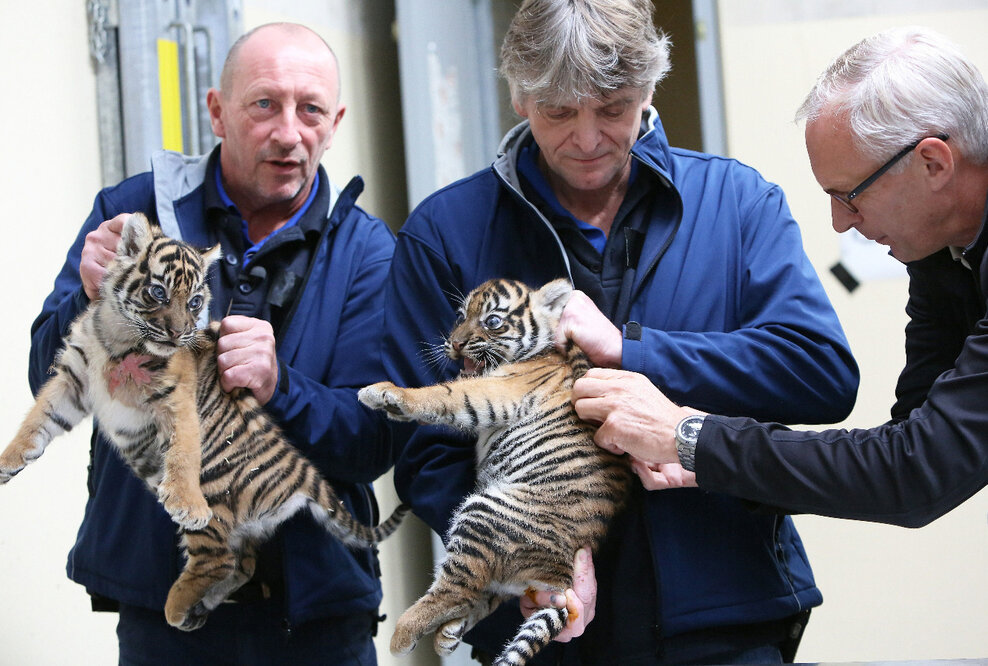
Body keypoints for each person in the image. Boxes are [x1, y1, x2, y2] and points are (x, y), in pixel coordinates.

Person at [381, 0, 860, 663]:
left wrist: (633, 350)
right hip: (547, 629)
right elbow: (427, 450)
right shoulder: (445, 234)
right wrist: (526, 557)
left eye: (612, 109)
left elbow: (821, 373)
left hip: (726, 611)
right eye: (557, 111)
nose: (585, 139)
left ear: (649, 90)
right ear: (519, 97)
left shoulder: (738, 202)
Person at [28, 23, 396, 665]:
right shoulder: (132, 213)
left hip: (315, 620)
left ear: (335, 122)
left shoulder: (367, 252)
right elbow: (47, 374)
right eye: (264, 104)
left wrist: (283, 387)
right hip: (165, 616)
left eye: (310, 109)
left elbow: (375, 442)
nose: (289, 132)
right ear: (217, 111)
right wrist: (92, 300)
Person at [571, 26, 988, 529]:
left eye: (851, 196)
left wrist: (689, 435)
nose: (840, 222)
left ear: (933, 162)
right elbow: (908, 450)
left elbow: (913, 473)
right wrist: (709, 459)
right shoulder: (941, 249)